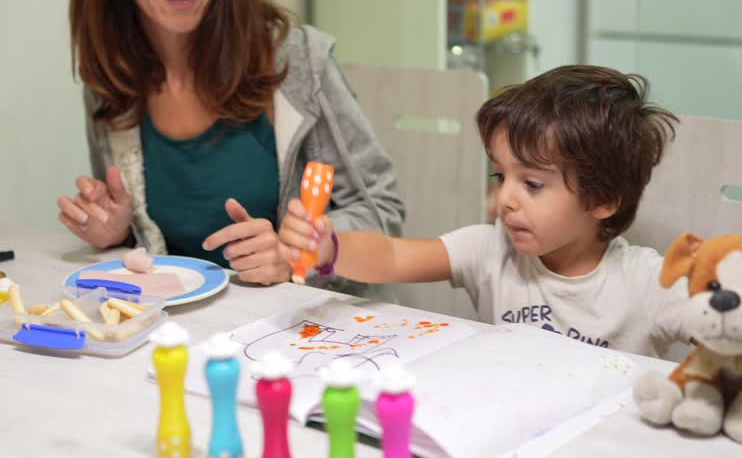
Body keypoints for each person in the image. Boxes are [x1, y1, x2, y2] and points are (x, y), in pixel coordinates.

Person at [59, 0, 403, 296]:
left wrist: (295, 253)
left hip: (304, 331)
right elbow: (156, 245)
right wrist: (119, 232)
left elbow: (382, 210)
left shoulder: (297, 61)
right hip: (185, 333)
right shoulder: (111, 79)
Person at [280, 65, 689, 357]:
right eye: (500, 176)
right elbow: (392, 257)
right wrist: (330, 247)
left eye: (531, 184)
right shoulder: (490, 249)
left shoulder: (650, 282)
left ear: (604, 199)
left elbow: (738, 330)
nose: (506, 198)